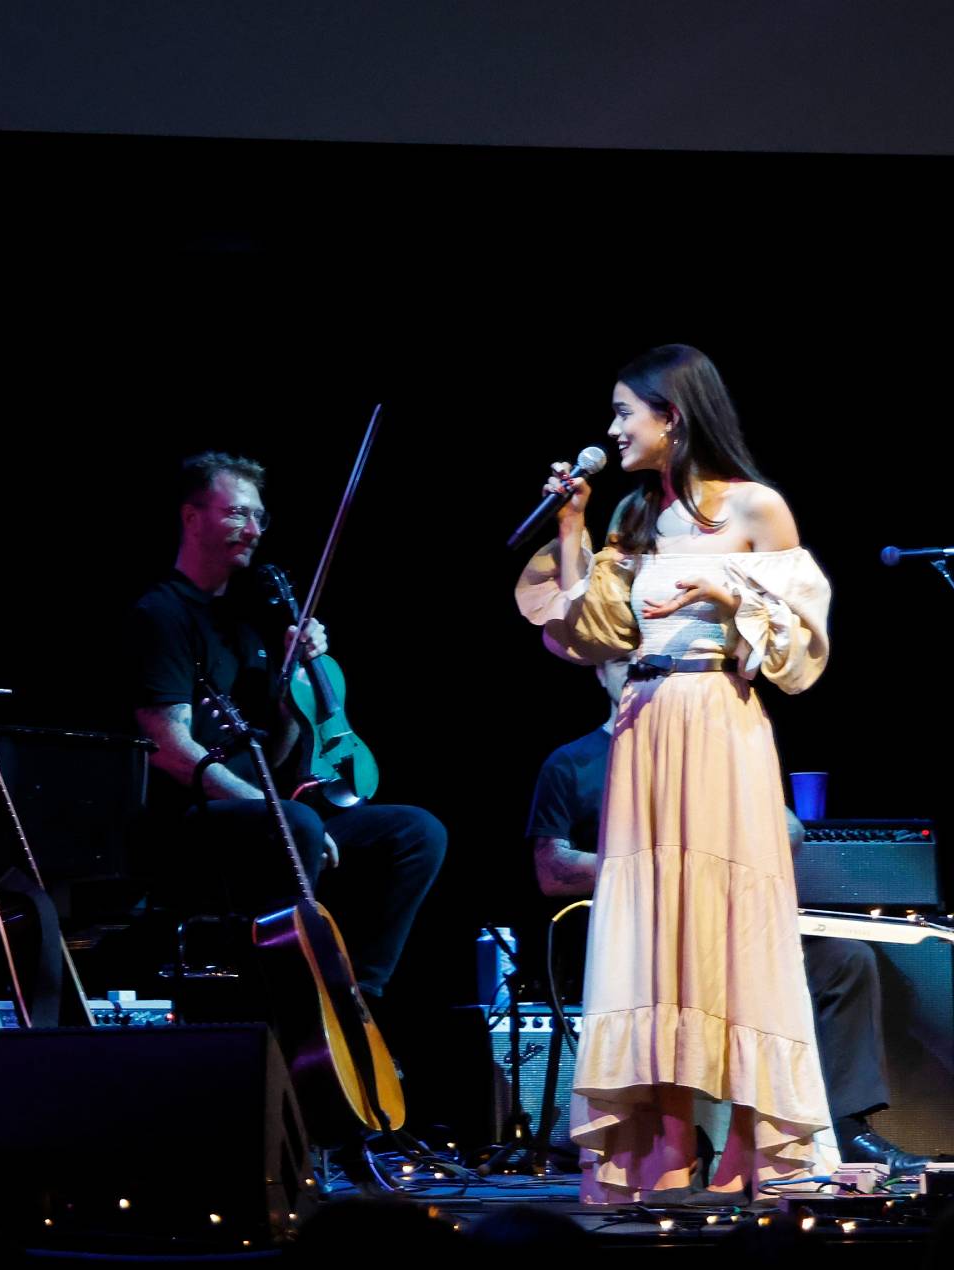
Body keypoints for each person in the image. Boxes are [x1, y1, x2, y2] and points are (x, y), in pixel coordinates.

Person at [516, 344, 835, 1202]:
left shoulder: (757, 510)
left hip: (719, 721)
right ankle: (658, 1151)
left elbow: (803, 649)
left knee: (729, 929)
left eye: (626, 412)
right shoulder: (631, 514)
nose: (613, 428)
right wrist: (574, 525)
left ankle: (755, 1149)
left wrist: (728, 597)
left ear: (675, 417)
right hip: (645, 728)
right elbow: (593, 634)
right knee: (650, 936)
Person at [527, 661, 932, 1175]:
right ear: (599, 670)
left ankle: (844, 1127)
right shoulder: (573, 762)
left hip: (726, 934)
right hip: (645, 942)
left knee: (842, 961)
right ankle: (661, 1141)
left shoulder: (711, 752)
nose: (638, 677)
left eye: (651, 666)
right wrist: (654, 866)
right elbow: (552, 870)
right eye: (624, 665)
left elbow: (788, 832)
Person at [131, 452, 446, 1001]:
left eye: (258, 517)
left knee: (415, 832)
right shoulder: (162, 615)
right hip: (188, 826)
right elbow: (167, 746)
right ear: (191, 518)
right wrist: (272, 811)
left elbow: (274, 757)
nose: (252, 530)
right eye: (236, 514)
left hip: (265, 817)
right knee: (298, 823)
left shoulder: (249, 622)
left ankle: (357, 996)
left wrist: (294, 693)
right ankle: (289, 993)